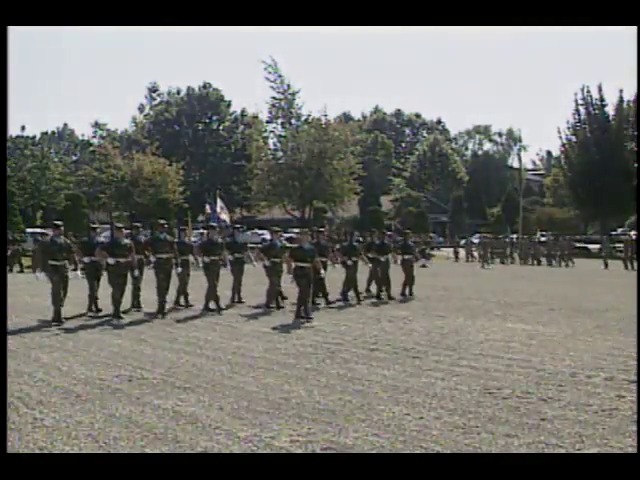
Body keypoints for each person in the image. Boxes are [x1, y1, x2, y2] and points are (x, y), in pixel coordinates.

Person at [33, 221, 80, 326]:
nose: (61, 231)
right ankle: (57, 315)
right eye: (59, 229)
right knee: (57, 290)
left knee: (64, 289)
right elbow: (39, 255)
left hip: (63, 267)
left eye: (62, 229)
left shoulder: (65, 241)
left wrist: (77, 267)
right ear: (54, 230)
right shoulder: (47, 242)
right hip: (52, 267)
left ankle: (58, 307)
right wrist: (39, 269)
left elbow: (72, 254)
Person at [96, 224, 137, 321]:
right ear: (115, 232)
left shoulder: (128, 243)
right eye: (119, 231)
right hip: (114, 268)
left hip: (124, 267)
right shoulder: (110, 243)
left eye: (122, 231)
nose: (121, 233)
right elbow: (98, 252)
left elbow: (132, 255)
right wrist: (108, 258)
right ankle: (116, 310)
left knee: (122, 288)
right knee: (116, 289)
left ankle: (117, 308)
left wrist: (135, 268)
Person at [286, 229, 322, 324]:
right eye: (302, 235)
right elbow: (289, 259)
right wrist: (289, 270)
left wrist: (320, 270)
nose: (304, 237)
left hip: (308, 271)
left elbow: (316, 260)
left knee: (305, 292)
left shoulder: (312, 248)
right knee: (304, 291)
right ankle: (307, 313)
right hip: (299, 271)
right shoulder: (295, 249)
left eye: (306, 235)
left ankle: (298, 312)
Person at [145, 219, 178, 318]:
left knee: (166, 284)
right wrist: (150, 256)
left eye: (164, 227)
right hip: (159, 262)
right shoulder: (153, 239)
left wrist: (177, 263)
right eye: (161, 227)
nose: (163, 229)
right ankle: (161, 307)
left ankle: (163, 303)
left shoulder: (170, 239)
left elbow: (175, 251)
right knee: (160, 284)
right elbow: (146, 248)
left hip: (168, 262)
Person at [195, 223, 227, 313]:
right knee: (212, 284)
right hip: (208, 265)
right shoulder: (205, 243)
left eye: (214, 230)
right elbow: (197, 251)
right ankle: (217, 304)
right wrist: (203, 258)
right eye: (211, 230)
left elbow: (222, 253)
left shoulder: (219, 242)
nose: (213, 232)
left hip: (216, 264)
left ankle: (206, 305)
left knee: (213, 284)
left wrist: (224, 262)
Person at [77, 224, 105, 314]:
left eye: (96, 230)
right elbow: (78, 251)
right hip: (89, 264)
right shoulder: (84, 241)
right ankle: (90, 307)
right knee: (92, 287)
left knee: (97, 285)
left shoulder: (101, 241)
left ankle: (95, 305)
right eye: (94, 230)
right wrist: (82, 259)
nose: (95, 232)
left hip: (98, 264)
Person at [258, 226, 286, 310]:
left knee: (277, 283)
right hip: (271, 265)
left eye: (278, 233)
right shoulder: (268, 244)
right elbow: (260, 253)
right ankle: (272, 302)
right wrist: (265, 261)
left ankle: (275, 301)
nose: (277, 235)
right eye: (275, 233)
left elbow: (284, 254)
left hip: (279, 264)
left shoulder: (281, 244)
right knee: (274, 283)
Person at [226, 225, 254, 304]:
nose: (238, 232)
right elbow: (226, 251)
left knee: (239, 279)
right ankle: (234, 297)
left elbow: (247, 251)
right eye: (237, 230)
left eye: (239, 230)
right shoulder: (230, 241)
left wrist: (252, 261)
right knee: (236, 278)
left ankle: (238, 296)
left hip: (241, 261)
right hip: (234, 261)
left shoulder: (242, 241)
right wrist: (228, 260)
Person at [338, 231, 366, 303]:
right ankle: (357, 297)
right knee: (353, 280)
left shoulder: (356, 246)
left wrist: (367, 262)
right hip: (348, 265)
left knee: (349, 280)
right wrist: (347, 260)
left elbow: (360, 255)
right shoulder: (345, 245)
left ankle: (344, 293)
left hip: (354, 264)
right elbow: (341, 255)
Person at [311, 227, 334, 307]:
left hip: (324, 264)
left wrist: (332, 261)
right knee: (319, 281)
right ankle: (326, 299)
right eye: (320, 234)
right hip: (316, 264)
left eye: (323, 234)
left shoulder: (326, 244)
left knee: (319, 282)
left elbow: (329, 253)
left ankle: (313, 298)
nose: (322, 236)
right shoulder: (314, 244)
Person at [128, 223, 147, 311]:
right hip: (134, 260)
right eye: (137, 229)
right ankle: (135, 302)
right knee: (136, 282)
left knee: (138, 282)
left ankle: (136, 302)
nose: (139, 230)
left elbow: (145, 250)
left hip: (141, 260)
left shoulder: (142, 238)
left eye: (139, 229)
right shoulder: (131, 239)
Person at [174, 226, 195, 308]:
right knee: (183, 282)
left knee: (184, 283)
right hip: (180, 263)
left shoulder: (188, 243)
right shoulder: (177, 243)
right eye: (182, 233)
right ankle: (185, 300)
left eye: (185, 233)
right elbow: (175, 254)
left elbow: (192, 253)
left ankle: (177, 300)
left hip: (187, 263)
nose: (184, 234)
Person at [373, 231, 395, 301]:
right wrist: (379, 257)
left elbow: (391, 252)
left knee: (386, 279)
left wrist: (393, 258)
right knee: (381, 279)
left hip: (386, 262)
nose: (383, 237)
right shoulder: (377, 244)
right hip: (379, 262)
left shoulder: (387, 244)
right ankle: (379, 294)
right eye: (382, 235)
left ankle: (388, 294)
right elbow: (373, 253)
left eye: (384, 236)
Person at [396, 229, 418, 298]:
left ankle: (408, 291)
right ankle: (407, 291)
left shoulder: (411, 244)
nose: (409, 236)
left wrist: (416, 257)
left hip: (410, 260)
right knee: (408, 276)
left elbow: (414, 252)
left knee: (411, 276)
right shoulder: (402, 244)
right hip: (405, 260)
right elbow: (397, 251)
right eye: (408, 235)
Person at [363, 230, 379, 296]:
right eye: (373, 234)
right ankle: (373, 287)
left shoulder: (377, 242)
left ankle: (368, 288)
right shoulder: (369, 243)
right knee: (374, 275)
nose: (374, 236)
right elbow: (365, 253)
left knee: (372, 275)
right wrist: (369, 258)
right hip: (372, 260)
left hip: (377, 260)